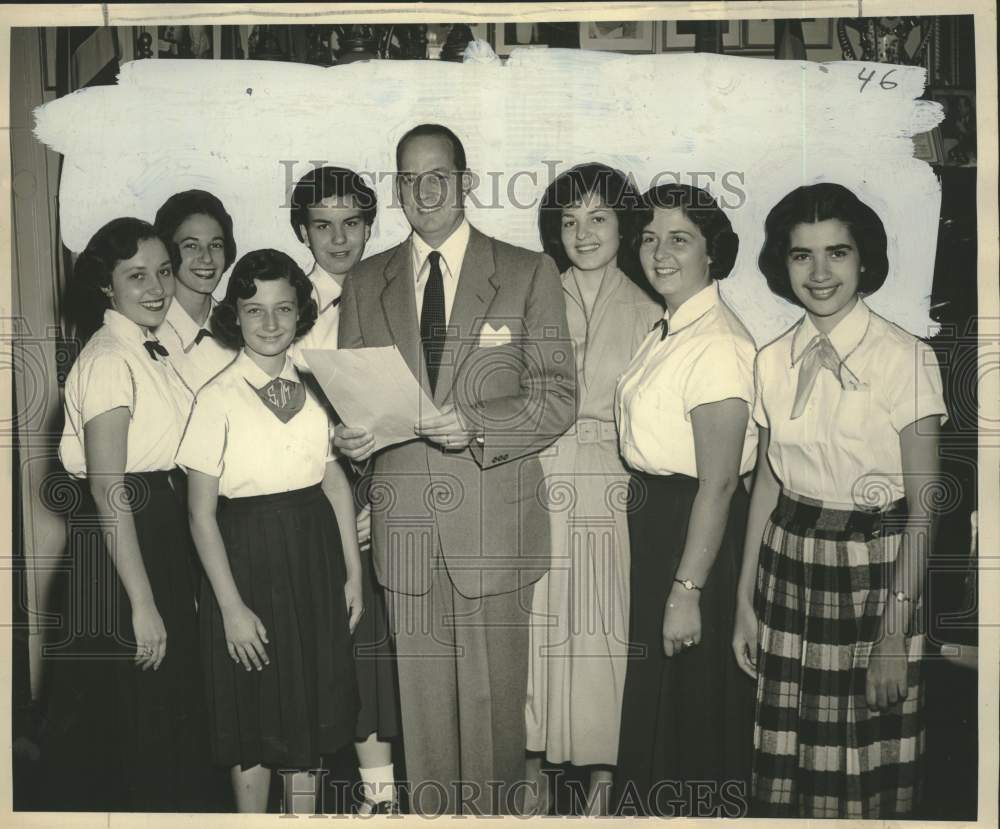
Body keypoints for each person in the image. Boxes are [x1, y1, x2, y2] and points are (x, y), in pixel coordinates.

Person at [334, 123, 576, 815]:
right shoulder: (365, 280)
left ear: (467, 181)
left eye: (439, 174)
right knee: (425, 717)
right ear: (399, 190)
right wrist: (352, 438)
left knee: (494, 709)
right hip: (404, 528)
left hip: (494, 525)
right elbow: (358, 399)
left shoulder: (528, 271)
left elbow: (558, 396)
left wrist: (476, 424)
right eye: (410, 178)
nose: (426, 190)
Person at [733, 182, 946, 818]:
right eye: (802, 256)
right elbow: (768, 484)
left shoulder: (906, 357)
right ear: (783, 264)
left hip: (879, 577)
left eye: (838, 253)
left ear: (864, 260)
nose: (820, 273)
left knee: (867, 764)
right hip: (787, 568)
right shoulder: (772, 360)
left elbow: (925, 505)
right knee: (790, 760)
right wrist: (744, 601)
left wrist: (892, 634)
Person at [176, 249, 363, 813]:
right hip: (246, 563)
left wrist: (353, 573)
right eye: (255, 310)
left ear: (300, 312)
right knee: (253, 708)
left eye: (284, 308)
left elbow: (334, 483)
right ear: (235, 314)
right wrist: (230, 608)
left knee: (307, 705)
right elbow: (199, 513)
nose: (271, 323)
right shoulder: (217, 397)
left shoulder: (314, 389)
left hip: (313, 559)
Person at [44, 217, 212, 810]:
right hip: (122, 549)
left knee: (159, 721)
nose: (156, 287)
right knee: (130, 726)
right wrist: (143, 604)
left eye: (163, 272)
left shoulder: (149, 345)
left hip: (151, 535)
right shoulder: (112, 357)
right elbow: (109, 488)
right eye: (136, 275)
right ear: (105, 287)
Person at [613, 184, 757, 817]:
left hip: (694, 533)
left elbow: (720, 483)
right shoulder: (671, 325)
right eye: (649, 237)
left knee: (690, 709)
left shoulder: (717, 343)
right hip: (661, 522)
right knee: (661, 706)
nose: (659, 252)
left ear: (711, 251)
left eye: (679, 239)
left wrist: (687, 591)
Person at [524, 163, 661, 816]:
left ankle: (603, 780)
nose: (582, 233)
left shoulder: (650, 308)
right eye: (569, 220)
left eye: (598, 217)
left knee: (603, 627)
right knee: (536, 626)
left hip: (611, 482)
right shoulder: (532, 291)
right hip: (539, 473)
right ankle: (532, 769)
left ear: (623, 224)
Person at [288, 165, 401, 815]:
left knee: (371, 651)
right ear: (303, 230)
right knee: (310, 649)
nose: (339, 238)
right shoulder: (282, 300)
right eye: (322, 225)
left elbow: (408, 407)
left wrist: (379, 498)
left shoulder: (392, 294)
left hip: (377, 491)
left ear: (368, 225)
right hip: (305, 492)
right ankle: (301, 802)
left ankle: (378, 798)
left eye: (352, 223)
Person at [153, 189, 239, 393]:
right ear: (168, 252)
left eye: (216, 245)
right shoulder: (146, 336)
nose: (207, 258)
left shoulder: (242, 329)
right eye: (191, 246)